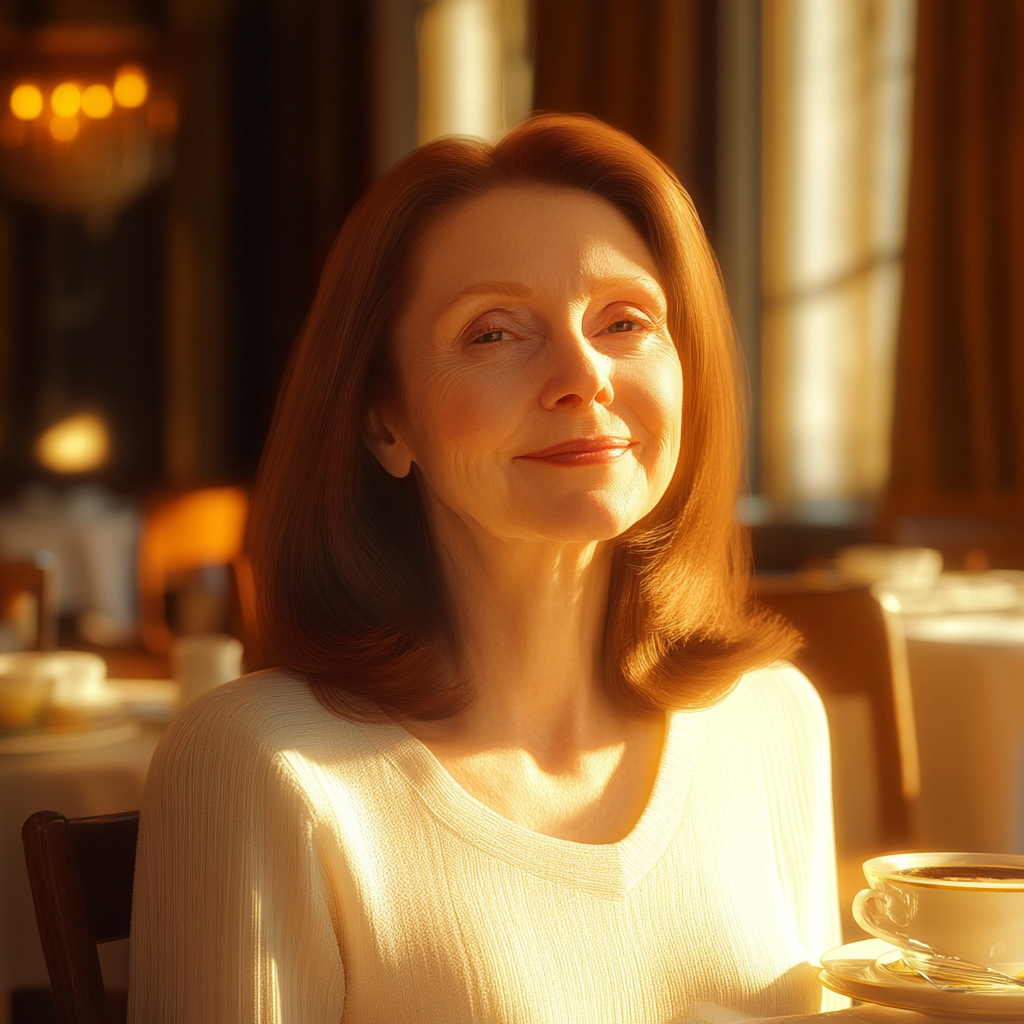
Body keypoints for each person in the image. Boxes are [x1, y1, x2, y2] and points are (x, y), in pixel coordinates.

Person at [128, 114, 845, 1024]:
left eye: (625, 321)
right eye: (496, 334)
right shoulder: (263, 766)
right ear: (385, 420)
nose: (584, 374)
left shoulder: (772, 720)